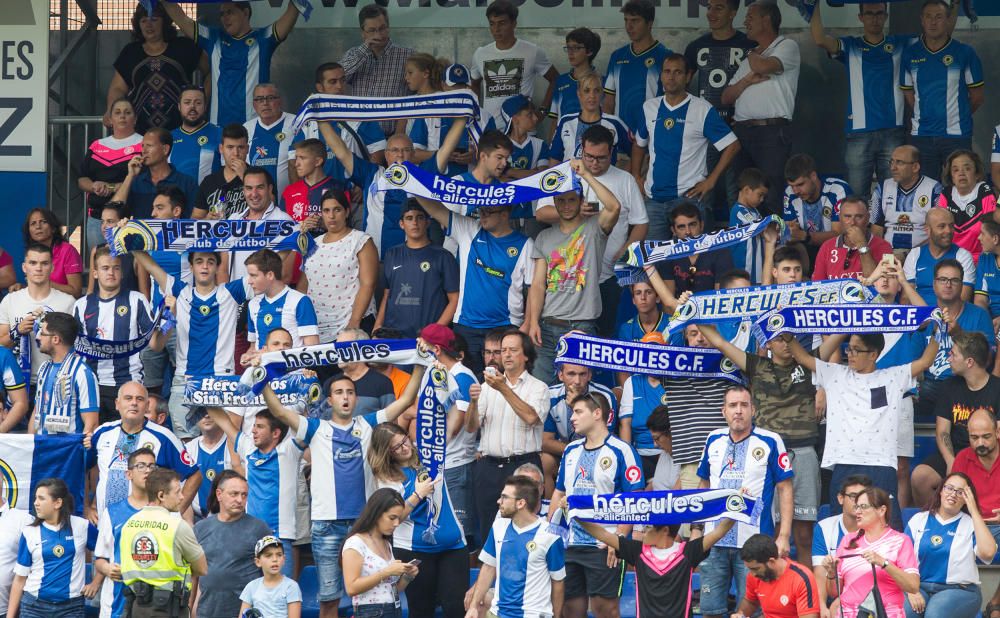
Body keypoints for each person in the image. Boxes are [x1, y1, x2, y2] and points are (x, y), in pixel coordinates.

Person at [260, 361, 426, 618]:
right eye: (339, 392)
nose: (345, 397)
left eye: (350, 392)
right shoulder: (316, 427)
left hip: (365, 524)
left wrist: (419, 364)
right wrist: (263, 381)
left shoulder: (368, 423)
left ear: (356, 398)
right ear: (329, 400)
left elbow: (404, 402)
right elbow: (280, 412)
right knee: (329, 600)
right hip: (327, 525)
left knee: (376, 592)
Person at [698, 320, 821, 566]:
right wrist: (696, 313)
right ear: (767, 343)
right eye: (778, 338)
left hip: (804, 450)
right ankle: (775, 586)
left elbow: (835, 339)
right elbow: (720, 342)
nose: (785, 343)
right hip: (765, 455)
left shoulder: (809, 363)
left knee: (804, 535)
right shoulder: (756, 364)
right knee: (771, 530)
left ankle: (803, 592)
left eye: (789, 337)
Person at [789, 331, 938, 526]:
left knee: (887, 526)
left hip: (882, 465)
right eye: (849, 349)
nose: (849, 354)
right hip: (843, 461)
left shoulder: (893, 376)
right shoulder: (834, 373)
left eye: (856, 350)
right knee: (844, 529)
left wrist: (938, 330)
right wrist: (785, 333)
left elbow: (926, 361)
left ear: (874, 354)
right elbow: (801, 357)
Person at [535, 125, 648, 337]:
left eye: (601, 158)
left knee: (606, 338)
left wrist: (626, 251)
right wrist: (572, 212)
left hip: (609, 274)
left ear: (612, 153)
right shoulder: (563, 174)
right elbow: (540, 213)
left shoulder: (625, 179)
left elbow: (641, 223)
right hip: (566, 276)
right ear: (581, 150)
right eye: (589, 157)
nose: (594, 163)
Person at [130, 246, 253, 439]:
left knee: (224, 445)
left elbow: (265, 270)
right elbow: (152, 266)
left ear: (217, 267)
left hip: (220, 380)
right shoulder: (180, 291)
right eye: (199, 262)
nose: (205, 267)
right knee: (186, 446)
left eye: (210, 262)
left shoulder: (230, 292)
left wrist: (292, 240)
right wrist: (128, 238)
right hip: (184, 381)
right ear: (191, 266)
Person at [316, 101, 464, 259]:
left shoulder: (424, 174)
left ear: (413, 155)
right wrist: (320, 119)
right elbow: (340, 151)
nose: (400, 155)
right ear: (386, 155)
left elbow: (446, 149)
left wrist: (463, 117)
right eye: (394, 150)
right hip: (375, 257)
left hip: (415, 259)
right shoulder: (371, 174)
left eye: (406, 150)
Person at [697, 386, 794, 618]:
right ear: (723, 411)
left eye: (743, 405)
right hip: (714, 541)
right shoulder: (713, 438)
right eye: (732, 405)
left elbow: (785, 488)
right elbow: (702, 486)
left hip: (754, 542)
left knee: (752, 612)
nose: (738, 411)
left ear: (753, 409)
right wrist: (697, 529)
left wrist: (783, 536)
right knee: (710, 611)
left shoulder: (771, 440)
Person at [550, 394, 643, 618]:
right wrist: (550, 535)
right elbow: (559, 492)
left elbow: (634, 499)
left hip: (604, 544)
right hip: (569, 543)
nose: (572, 418)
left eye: (578, 412)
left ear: (597, 413)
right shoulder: (571, 450)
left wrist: (619, 538)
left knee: (606, 611)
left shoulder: (622, 450)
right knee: (570, 610)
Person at [527, 160, 621, 382]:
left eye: (572, 200)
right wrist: (532, 321)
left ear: (581, 201)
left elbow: (614, 207)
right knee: (541, 387)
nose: (566, 205)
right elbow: (538, 284)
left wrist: (586, 174)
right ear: (555, 203)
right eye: (561, 201)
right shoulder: (544, 236)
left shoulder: (594, 227)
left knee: (579, 388)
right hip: (548, 325)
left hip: (582, 324)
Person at [810, 2, 912, 199]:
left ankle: (883, 231)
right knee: (856, 198)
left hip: (892, 131)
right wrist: (814, 5)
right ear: (861, 17)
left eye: (879, 14)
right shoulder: (851, 45)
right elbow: (820, 39)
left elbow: (939, 38)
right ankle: (856, 231)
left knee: (892, 196)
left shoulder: (900, 44)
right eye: (869, 14)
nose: (874, 18)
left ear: (886, 16)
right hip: (858, 134)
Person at [632, 53, 740, 239]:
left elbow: (733, 145)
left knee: (693, 261)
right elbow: (639, 144)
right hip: (654, 201)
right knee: (654, 261)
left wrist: (711, 181)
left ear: (688, 76)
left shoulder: (701, 109)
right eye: (667, 71)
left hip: (688, 200)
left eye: (677, 72)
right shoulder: (649, 107)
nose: (671, 77)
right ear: (661, 75)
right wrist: (636, 175)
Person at [367, 423, 467, 617]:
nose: (405, 447)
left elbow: (449, 427)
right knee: (421, 609)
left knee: (456, 607)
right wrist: (417, 495)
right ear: (386, 452)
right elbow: (391, 519)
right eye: (397, 447)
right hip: (415, 549)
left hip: (453, 544)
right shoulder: (386, 478)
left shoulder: (429, 457)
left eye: (405, 440)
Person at [466, 329, 548, 548]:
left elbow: (531, 417)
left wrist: (503, 388)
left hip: (523, 466)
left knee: (525, 529)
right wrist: (473, 403)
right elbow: (471, 427)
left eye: (513, 350)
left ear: (526, 356)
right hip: (488, 467)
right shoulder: (486, 387)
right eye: (504, 351)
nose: (507, 355)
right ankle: (490, 581)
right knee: (487, 530)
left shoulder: (538, 388)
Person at [200, 404, 303, 575]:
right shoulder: (249, 449)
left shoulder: (289, 451)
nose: (253, 431)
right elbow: (225, 422)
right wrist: (206, 397)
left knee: (279, 595)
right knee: (248, 593)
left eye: (260, 427)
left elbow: (307, 429)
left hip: (279, 537)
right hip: (249, 536)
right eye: (254, 425)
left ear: (276, 433)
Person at [161, 0, 300, 126]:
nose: (224, 18)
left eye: (230, 12)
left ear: (245, 13)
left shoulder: (263, 39)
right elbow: (181, 18)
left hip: (253, 125)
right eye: (222, 14)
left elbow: (291, 13)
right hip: (219, 126)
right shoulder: (214, 38)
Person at [722, 2, 799, 218]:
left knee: (772, 194)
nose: (745, 22)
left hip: (771, 133)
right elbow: (726, 96)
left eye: (750, 17)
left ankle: (772, 249)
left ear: (766, 20)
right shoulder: (750, 58)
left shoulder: (786, 46)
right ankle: (747, 246)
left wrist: (752, 54)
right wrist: (747, 80)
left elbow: (763, 66)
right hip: (742, 132)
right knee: (744, 195)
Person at [87, 381, 200, 522]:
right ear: (117, 403)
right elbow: (83, 467)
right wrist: (87, 506)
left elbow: (195, 476)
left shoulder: (164, 437)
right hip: (105, 523)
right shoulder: (102, 432)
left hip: (147, 527)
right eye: (128, 398)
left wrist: (174, 515)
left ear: (146, 406)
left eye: (139, 399)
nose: (134, 403)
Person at [910, 332, 1000, 507]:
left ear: (969, 362)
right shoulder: (948, 387)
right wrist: (952, 462)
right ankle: (935, 523)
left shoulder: (997, 389)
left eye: (953, 354)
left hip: (987, 453)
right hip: (955, 453)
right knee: (920, 477)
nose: (948, 358)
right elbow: (942, 432)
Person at [684, 0, 755, 222]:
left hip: (738, 129)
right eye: (709, 7)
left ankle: (739, 248)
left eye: (719, 8)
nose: (711, 13)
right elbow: (681, 86)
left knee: (737, 192)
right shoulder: (696, 46)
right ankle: (704, 251)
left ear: (733, 13)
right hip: (706, 131)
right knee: (704, 192)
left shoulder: (748, 45)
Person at [73, 246, 157, 424]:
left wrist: (168, 325)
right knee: (92, 439)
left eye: (116, 268)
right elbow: (75, 349)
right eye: (105, 268)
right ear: (95, 273)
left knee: (128, 439)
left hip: (128, 383)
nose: (111, 272)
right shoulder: (81, 305)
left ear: (122, 272)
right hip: (91, 384)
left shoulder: (137, 300)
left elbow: (155, 343)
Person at [900, 0, 983, 177]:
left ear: (947, 20)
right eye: (928, 17)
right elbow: (908, 94)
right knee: (926, 193)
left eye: (938, 17)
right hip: (921, 137)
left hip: (957, 137)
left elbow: (977, 96)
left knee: (962, 189)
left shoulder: (965, 53)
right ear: (922, 20)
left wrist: (958, 117)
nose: (933, 22)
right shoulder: (910, 54)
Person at [465, 475, 565, 618]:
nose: (499, 501)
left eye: (505, 497)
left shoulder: (550, 535)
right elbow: (488, 568)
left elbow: (558, 582)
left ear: (521, 503)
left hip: (533, 614)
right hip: (497, 613)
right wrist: (474, 606)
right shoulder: (498, 526)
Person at [118, 468, 207, 618]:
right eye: (177, 492)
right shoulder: (177, 525)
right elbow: (202, 569)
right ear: (161, 495)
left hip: (136, 607)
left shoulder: (129, 524)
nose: (182, 496)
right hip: (169, 608)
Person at [904, 472, 996, 618]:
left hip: (960, 589)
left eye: (960, 492)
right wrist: (910, 591)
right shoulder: (918, 520)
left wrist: (974, 510)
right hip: (919, 586)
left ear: (967, 498)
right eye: (949, 488)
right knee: (907, 612)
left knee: (935, 614)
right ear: (941, 490)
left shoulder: (971, 524)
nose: (953, 494)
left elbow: (988, 553)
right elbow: (902, 560)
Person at [106, 3, 206, 134]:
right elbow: (117, 88)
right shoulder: (130, 52)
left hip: (183, 130)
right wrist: (111, 110)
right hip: (141, 133)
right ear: (138, 24)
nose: (148, 25)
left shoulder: (184, 47)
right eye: (143, 20)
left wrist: (204, 101)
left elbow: (212, 72)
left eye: (154, 19)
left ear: (165, 22)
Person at [914, 260, 994, 422]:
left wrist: (959, 334)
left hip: (967, 383)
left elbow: (988, 359)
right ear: (934, 284)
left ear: (962, 284)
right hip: (931, 385)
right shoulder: (924, 318)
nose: (948, 284)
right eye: (943, 279)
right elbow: (914, 362)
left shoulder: (979, 315)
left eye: (954, 280)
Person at [822, 487, 920, 618]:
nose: (857, 512)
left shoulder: (900, 541)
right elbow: (834, 592)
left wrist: (884, 563)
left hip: (885, 613)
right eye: (856, 507)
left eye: (863, 506)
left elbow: (913, 586)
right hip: (848, 614)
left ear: (881, 510)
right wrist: (831, 573)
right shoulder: (848, 540)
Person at [7, 479, 97, 618]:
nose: (36, 503)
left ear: (58, 503)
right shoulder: (29, 532)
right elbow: (20, 579)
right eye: (35, 498)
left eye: (41, 498)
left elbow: (106, 552)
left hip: (71, 608)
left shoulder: (82, 526)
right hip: (34, 608)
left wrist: (96, 583)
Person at [299, 188, 377, 342]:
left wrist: (354, 323)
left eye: (337, 210)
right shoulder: (313, 244)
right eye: (326, 210)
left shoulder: (361, 240)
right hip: (316, 328)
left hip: (351, 324)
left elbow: (369, 284)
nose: (331, 216)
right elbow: (302, 287)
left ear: (347, 212)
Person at [289, 62, 387, 183]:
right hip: (319, 196)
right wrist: (301, 194)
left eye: (342, 80)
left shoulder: (360, 114)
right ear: (320, 87)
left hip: (354, 195)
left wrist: (366, 181)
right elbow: (293, 160)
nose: (340, 86)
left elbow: (378, 151)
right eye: (333, 82)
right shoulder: (307, 120)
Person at [193, 471, 274, 618]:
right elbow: (194, 575)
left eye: (244, 495)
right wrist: (191, 607)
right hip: (206, 611)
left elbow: (272, 574)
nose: (240, 499)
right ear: (219, 495)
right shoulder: (200, 528)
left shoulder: (260, 529)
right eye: (234, 494)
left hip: (245, 612)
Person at [375, 203, 459, 337]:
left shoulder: (443, 256)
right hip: (393, 336)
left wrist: (435, 332)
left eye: (420, 217)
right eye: (409, 218)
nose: (415, 222)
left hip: (429, 339)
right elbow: (387, 295)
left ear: (427, 222)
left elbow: (455, 299)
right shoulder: (391, 254)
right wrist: (377, 327)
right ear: (401, 224)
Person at [469, 0, 558, 127]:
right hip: (491, 131)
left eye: (502, 23)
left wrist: (542, 111)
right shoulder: (480, 53)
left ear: (514, 23)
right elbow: (473, 85)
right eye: (492, 24)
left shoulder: (532, 51)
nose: (496, 29)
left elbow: (555, 79)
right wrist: (478, 114)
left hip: (523, 131)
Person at [0, 244, 76, 389]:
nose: (38, 268)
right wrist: (17, 330)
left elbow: (75, 346)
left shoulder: (68, 302)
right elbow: (1, 345)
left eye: (44, 263)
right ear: (24, 267)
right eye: (33, 263)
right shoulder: (10, 300)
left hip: (56, 381)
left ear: (52, 267)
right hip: (17, 383)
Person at [93, 447, 156, 618]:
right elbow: (100, 558)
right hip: (117, 601)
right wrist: (106, 568)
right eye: (141, 466)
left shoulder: (166, 512)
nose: (147, 471)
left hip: (154, 602)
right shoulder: (112, 512)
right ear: (129, 474)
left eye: (152, 466)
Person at [950, 409, 1000, 618]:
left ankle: (996, 602)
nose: (980, 443)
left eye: (986, 436)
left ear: (998, 431)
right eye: (974, 437)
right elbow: (950, 501)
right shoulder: (963, 458)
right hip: (970, 526)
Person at [542, 363, 619, 493]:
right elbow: (545, 442)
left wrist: (576, 406)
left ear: (589, 375)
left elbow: (604, 439)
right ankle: (552, 508)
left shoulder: (604, 396)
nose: (577, 381)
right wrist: (575, 452)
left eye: (582, 374)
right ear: (560, 375)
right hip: (564, 452)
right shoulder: (550, 395)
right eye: (571, 374)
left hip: (599, 452)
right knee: (545, 461)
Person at [342, 489, 419, 618]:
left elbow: (390, 589)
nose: (396, 523)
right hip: (369, 611)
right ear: (376, 514)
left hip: (394, 609)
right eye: (392, 518)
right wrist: (387, 572)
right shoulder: (355, 543)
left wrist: (407, 577)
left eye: (398, 518)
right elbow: (351, 588)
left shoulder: (386, 543)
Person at [79, 98, 143, 251]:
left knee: (127, 267)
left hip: (128, 218)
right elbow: (81, 179)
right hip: (97, 218)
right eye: (118, 112)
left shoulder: (143, 144)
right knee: (100, 262)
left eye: (127, 113)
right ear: (110, 119)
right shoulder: (97, 145)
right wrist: (94, 186)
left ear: (135, 119)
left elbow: (144, 178)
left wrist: (113, 187)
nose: (122, 116)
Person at [339, 5, 414, 136]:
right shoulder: (354, 54)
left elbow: (419, 94)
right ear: (363, 33)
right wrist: (365, 49)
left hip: (393, 136)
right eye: (372, 30)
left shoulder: (408, 56)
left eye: (382, 28)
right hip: (358, 134)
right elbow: (339, 75)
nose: (378, 35)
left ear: (388, 27)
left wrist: (400, 133)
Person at [602, 0, 671, 138]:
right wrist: (607, 135)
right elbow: (608, 102)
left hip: (651, 139)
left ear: (650, 23)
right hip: (619, 139)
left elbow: (671, 102)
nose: (629, 26)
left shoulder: (666, 57)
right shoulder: (617, 57)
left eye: (635, 20)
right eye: (626, 20)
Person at [29, 312, 99, 437]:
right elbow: (36, 412)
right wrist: (29, 446)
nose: (38, 337)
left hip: (67, 453)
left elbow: (91, 424)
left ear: (56, 339)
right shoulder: (43, 369)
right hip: (41, 451)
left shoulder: (82, 373)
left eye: (42, 333)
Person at [812, 474, 873, 616]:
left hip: (869, 594)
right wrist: (821, 606)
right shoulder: (824, 527)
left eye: (863, 497)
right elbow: (820, 572)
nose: (858, 502)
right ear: (840, 498)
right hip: (833, 591)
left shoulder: (877, 529)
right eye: (853, 496)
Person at [110, 129, 198, 221]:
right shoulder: (135, 182)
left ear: (165, 149)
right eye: (143, 146)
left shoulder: (187, 183)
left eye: (149, 146)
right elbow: (113, 212)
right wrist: (130, 176)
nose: (144, 151)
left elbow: (194, 220)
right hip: (139, 235)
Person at [871, 145, 943, 257]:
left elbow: (939, 229)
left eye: (899, 163)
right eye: (891, 162)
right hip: (889, 254)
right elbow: (876, 229)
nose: (893, 168)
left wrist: (909, 255)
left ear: (915, 167)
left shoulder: (934, 189)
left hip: (922, 254)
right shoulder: (882, 187)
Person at [654, 202, 734, 298]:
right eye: (681, 227)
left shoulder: (720, 252)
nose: (688, 232)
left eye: (692, 225)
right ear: (673, 230)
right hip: (679, 311)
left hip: (710, 310)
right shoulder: (668, 255)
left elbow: (720, 298)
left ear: (701, 225)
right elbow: (668, 302)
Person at [244, 249, 318, 349]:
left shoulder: (300, 301)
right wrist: (248, 356)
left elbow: (312, 349)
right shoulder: (253, 303)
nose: (249, 281)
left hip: (291, 365)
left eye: (253, 275)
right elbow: (253, 347)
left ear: (270, 275)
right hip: (262, 365)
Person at [548, 74, 630, 165]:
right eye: (587, 91)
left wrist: (630, 175)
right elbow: (554, 159)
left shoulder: (614, 123)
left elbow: (636, 150)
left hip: (603, 179)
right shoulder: (566, 122)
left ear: (602, 94)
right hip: (571, 179)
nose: (592, 95)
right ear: (579, 94)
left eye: (597, 90)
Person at [735, 533, 821, 618]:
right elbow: (751, 602)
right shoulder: (754, 575)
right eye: (750, 569)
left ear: (771, 561)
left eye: (756, 569)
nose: (752, 574)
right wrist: (740, 615)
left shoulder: (802, 579)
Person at [781, 153, 851, 254]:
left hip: (836, 251)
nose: (796, 191)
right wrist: (791, 231)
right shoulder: (789, 192)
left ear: (813, 176)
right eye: (792, 186)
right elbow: (789, 227)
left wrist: (805, 236)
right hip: (806, 249)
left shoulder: (837, 190)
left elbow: (840, 235)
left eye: (800, 184)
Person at [902, 208, 975, 305]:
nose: (948, 231)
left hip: (950, 317)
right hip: (919, 316)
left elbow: (963, 299)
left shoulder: (963, 256)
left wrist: (938, 318)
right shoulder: (915, 255)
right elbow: (906, 298)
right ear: (927, 230)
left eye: (951, 226)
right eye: (942, 226)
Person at [812, 196, 893, 281]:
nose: (852, 222)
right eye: (847, 216)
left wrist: (861, 245)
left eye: (858, 216)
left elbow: (883, 285)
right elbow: (818, 285)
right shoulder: (827, 247)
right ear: (839, 218)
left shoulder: (885, 246)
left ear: (868, 218)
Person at [937, 149, 997, 262]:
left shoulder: (985, 193)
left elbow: (991, 231)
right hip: (950, 258)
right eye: (955, 170)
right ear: (951, 176)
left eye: (967, 168)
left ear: (977, 174)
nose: (961, 173)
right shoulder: (946, 194)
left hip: (980, 258)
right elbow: (939, 229)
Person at [243, 83, 296, 198]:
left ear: (279, 101)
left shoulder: (296, 124)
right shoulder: (247, 128)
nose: (265, 103)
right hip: (257, 203)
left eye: (270, 98)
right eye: (260, 99)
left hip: (290, 202)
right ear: (254, 104)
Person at [20, 209, 82, 298]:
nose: (38, 226)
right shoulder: (31, 253)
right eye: (33, 223)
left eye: (43, 222)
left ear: (53, 228)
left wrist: (45, 283)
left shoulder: (67, 250)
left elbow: (76, 291)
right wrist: (22, 288)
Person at [192, 123, 249, 219]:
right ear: (221, 149)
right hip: (217, 232)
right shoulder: (209, 181)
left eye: (240, 147)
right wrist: (206, 220)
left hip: (247, 232)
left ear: (247, 149)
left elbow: (269, 208)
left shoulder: (260, 176)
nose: (236, 153)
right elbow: (195, 217)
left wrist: (245, 177)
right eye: (230, 147)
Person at [238, 536, 303, 618]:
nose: (275, 559)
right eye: (268, 555)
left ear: (284, 559)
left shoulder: (291, 587)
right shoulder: (251, 587)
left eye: (279, 555)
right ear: (258, 562)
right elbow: (242, 615)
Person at [548, 27, 601, 127]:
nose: (571, 52)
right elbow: (555, 121)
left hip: (594, 140)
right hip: (566, 140)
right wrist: (552, 142)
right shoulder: (561, 81)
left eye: (576, 48)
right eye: (568, 47)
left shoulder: (603, 82)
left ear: (589, 51)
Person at [168, 85, 220, 185]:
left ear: (205, 107)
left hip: (208, 198)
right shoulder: (168, 137)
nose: (192, 107)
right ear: (179, 106)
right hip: (176, 198)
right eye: (187, 102)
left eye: (198, 103)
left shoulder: (219, 134)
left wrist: (222, 199)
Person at [183, 413, 228, 521]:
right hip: (196, 519)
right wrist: (190, 525)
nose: (206, 415)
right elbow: (181, 493)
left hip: (230, 518)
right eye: (200, 411)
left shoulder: (233, 445)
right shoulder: (188, 448)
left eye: (211, 409)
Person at [976, 219, 1000, 325]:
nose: (978, 238)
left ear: (995, 239)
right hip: (991, 320)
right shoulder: (984, 258)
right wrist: (986, 324)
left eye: (982, 233)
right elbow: (980, 300)